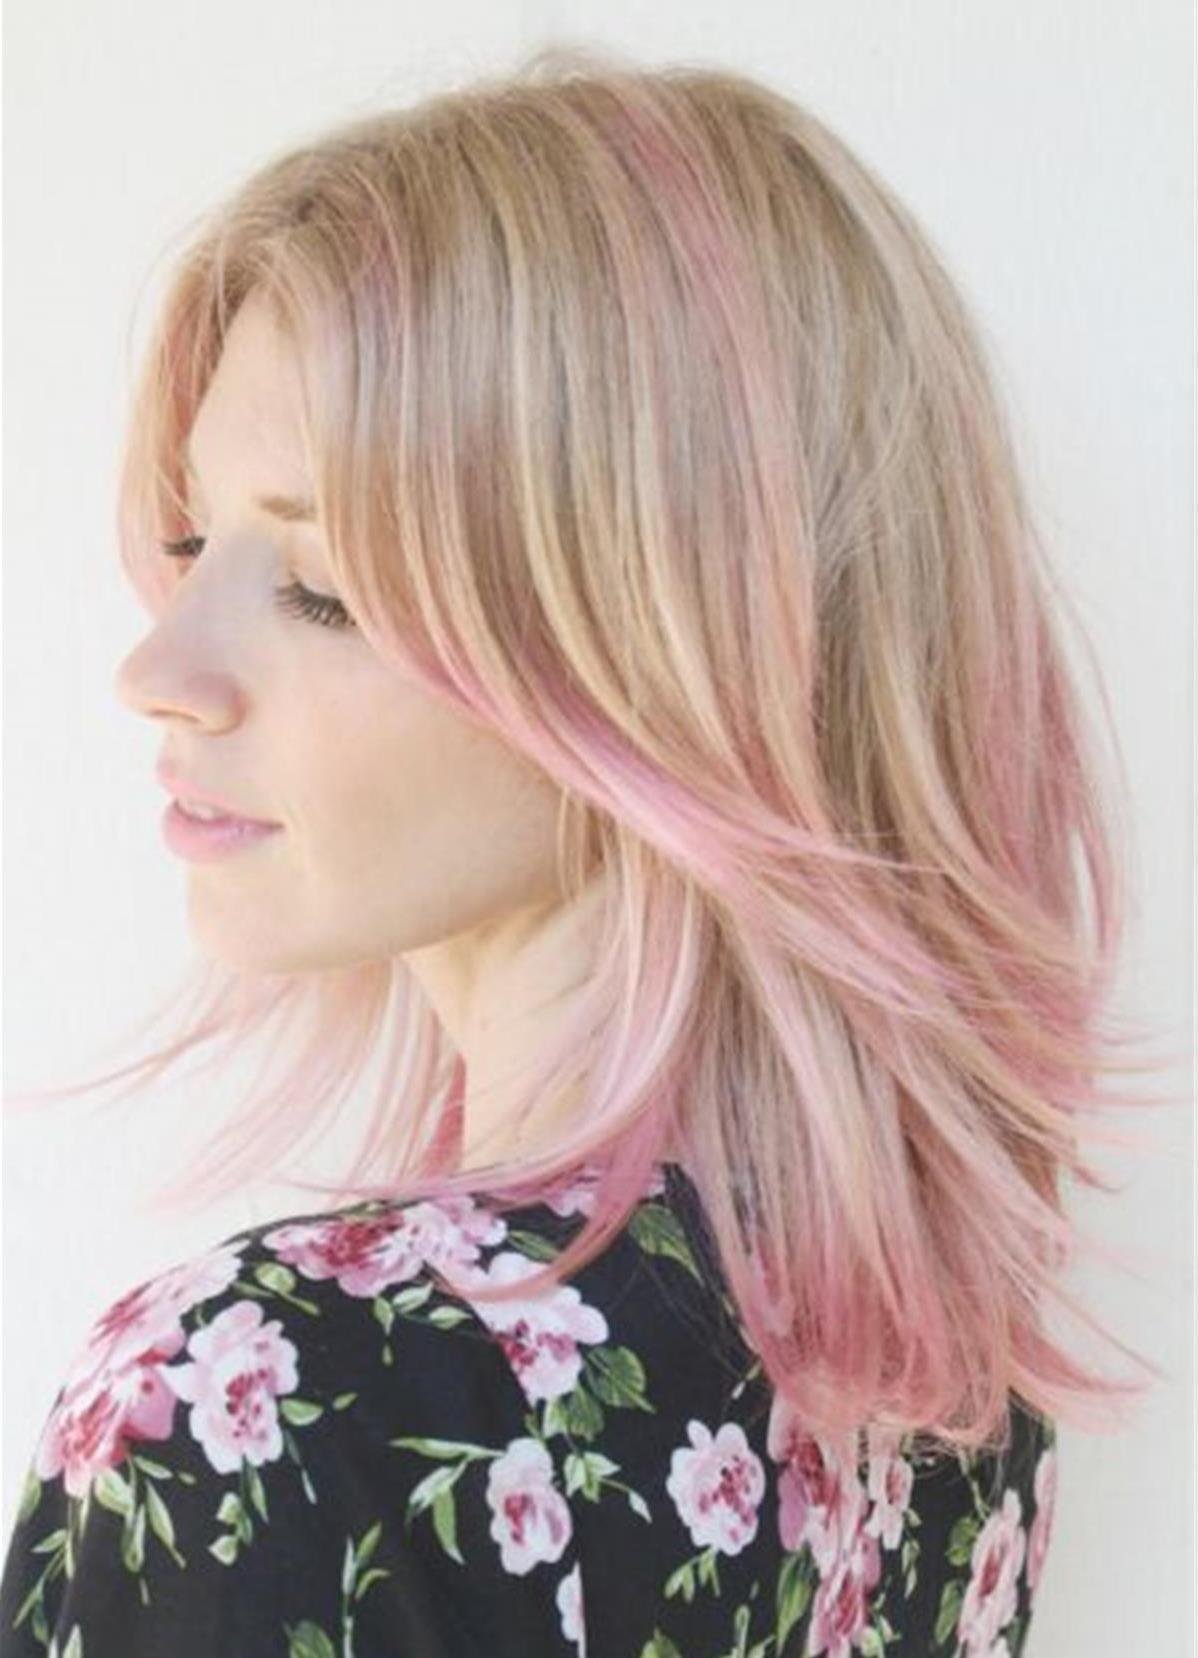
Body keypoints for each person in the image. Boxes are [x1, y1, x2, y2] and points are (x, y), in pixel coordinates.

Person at [0, 42, 1161, 1658]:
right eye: (194, 542)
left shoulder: (258, 1413)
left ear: (663, 663)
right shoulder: (945, 1398)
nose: (159, 664)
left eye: (324, 588)